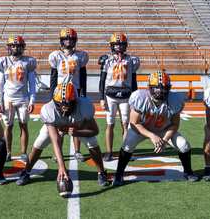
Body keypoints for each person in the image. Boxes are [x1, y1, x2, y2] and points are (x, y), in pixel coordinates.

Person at [16, 82, 109, 189]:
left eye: (69, 104)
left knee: (92, 142)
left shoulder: (84, 106)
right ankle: (26, 171)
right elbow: (55, 139)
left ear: (76, 100)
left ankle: (101, 173)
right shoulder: (48, 109)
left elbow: (94, 130)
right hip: (56, 126)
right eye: (61, 104)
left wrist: (77, 133)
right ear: (54, 101)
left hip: (76, 127)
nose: (65, 108)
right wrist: (62, 167)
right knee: (40, 142)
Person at [113, 70, 199, 186]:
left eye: (163, 89)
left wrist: (164, 140)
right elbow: (134, 123)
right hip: (141, 128)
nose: (160, 92)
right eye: (157, 89)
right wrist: (152, 136)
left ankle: (188, 172)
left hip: (164, 129)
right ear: (149, 88)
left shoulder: (175, 99)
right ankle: (119, 174)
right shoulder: (140, 97)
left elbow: (175, 124)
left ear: (168, 88)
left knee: (184, 145)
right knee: (127, 145)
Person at [48, 28, 89, 161]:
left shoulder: (80, 55)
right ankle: (57, 152)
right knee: (60, 124)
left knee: (76, 122)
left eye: (71, 39)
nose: (68, 41)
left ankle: (77, 151)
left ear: (75, 40)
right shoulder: (56, 56)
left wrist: (83, 92)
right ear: (61, 40)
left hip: (75, 92)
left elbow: (83, 76)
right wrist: (52, 95)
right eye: (66, 38)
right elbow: (53, 76)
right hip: (59, 93)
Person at [0, 35, 37, 161]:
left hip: (23, 98)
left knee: (23, 125)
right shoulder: (3, 62)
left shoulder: (28, 62)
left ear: (22, 47)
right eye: (13, 45)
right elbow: (0, 84)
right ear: (9, 47)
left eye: (18, 46)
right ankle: (8, 152)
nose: (15, 48)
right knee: (8, 126)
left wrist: (32, 100)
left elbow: (32, 84)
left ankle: (23, 152)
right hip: (9, 99)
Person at [98, 32, 139, 161]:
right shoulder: (107, 60)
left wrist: (135, 97)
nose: (119, 47)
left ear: (125, 45)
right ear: (112, 46)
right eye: (116, 45)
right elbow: (102, 80)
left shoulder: (131, 60)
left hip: (126, 95)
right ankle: (109, 152)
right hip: (110, 96)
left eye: (121, 45)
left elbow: (133, 80)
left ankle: (125, 150)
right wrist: (101, 98)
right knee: (110, 124)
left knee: (126, 124)